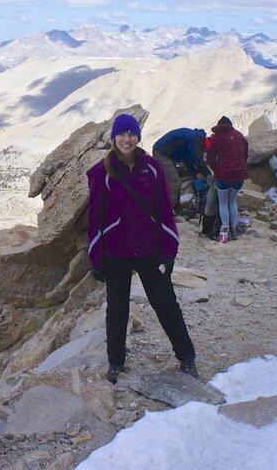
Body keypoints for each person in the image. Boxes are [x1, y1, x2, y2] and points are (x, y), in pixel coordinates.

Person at [87, 113, 198, 384]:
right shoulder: (102, 173)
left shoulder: (152, 167)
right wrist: (96, 257)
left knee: (166, 306)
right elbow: (95, 216)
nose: (127, 139)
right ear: (114, 138)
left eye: (131, 134)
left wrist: (169, 249)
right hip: (115, 253)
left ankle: (187, 358)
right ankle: (115, 363)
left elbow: (164, 210)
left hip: (150, 250)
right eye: (122, 134)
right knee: (117, 310)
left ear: (138, 137)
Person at [206, 116, 248, 243]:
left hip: (223, 176)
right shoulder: (239, 135)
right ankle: (234, 231)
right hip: (239, 175)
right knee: (232, 202)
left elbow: (211, 158)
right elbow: (245, 155)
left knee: (223, 203)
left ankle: (225, 230)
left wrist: (216, 170)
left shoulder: (217, 138)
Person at [152, 128, 209, 214]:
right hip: (162, 153)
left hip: (166, 152)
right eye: (205, 151)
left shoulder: (195, 137)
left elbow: (188, 159)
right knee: (175, 182)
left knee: (173, 181)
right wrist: (208, 174)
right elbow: (197, 160)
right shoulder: (196, 140)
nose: (204, 152)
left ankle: (176, 207)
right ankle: (167, 211)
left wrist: (194, 174)